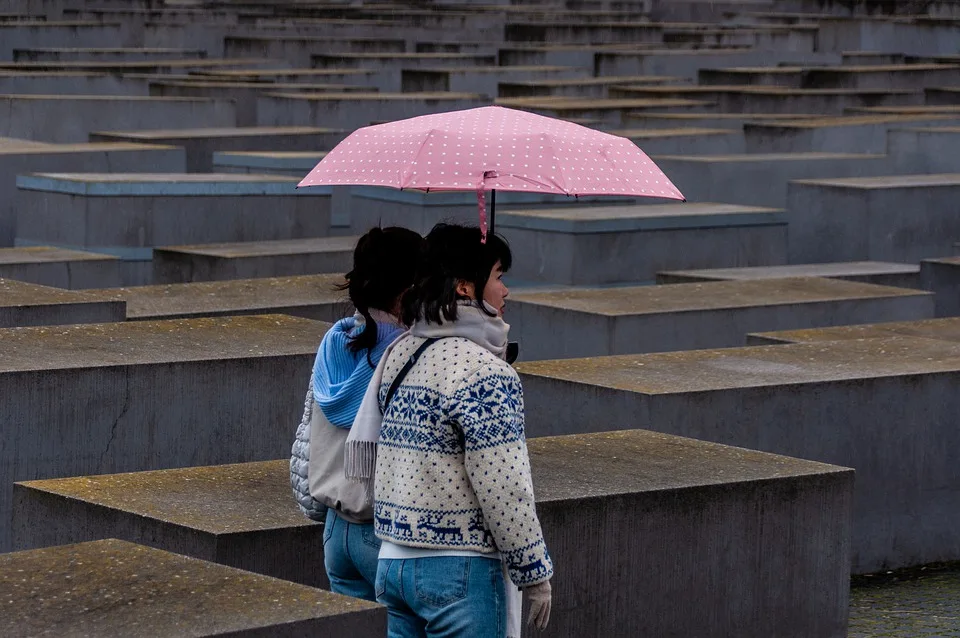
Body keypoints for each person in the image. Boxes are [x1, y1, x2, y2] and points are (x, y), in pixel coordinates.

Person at [345, 223, 554, 637]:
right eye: (498, 276)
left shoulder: (401, 351)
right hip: (461, 570)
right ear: (464, 286)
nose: (506, 291)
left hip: (393, 566)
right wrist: (535, 572)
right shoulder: (484, 371)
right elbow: (504, 485)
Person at [290, 226, 426, 601]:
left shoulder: (336, 339)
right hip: (380, 527)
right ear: (409, 289)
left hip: (334, 528)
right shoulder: (406, 353)